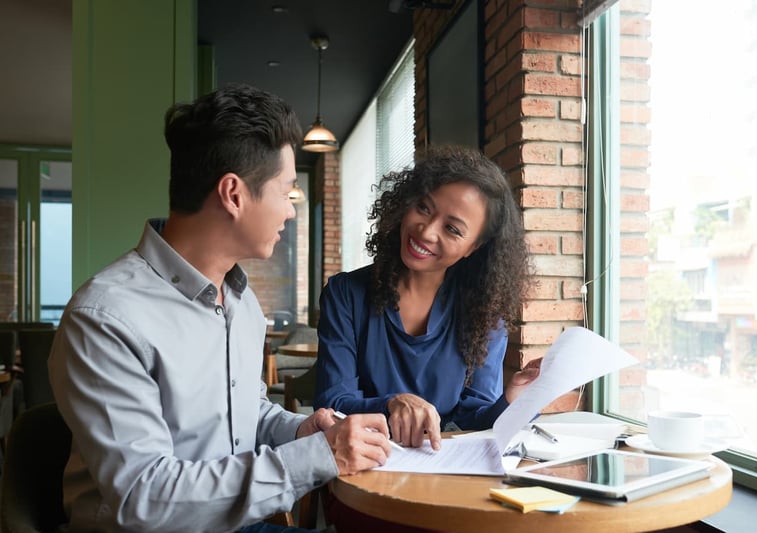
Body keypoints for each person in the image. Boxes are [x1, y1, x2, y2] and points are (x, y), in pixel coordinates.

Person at [48, 84, 393, 533]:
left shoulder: (241, 301)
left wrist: (302, 431)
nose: (291, 211)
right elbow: (144, 499)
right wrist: (318, 457)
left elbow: (245, 410)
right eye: (286, 191)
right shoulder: (106, 318)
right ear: (233, 194)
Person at [314, 144, 539, 446]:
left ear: (474, 248)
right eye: (423, 207)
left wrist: (514, 399)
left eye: (452, 229)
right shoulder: (345, 294)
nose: (427, 231)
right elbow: (333, 402)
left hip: (442, 467)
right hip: (361, 464)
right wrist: (392, 404)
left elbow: (476, 417)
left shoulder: (484, 313)